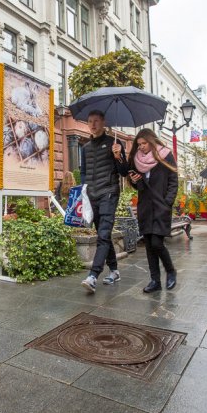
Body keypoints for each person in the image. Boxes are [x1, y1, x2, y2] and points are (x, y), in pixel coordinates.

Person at [80, 110, 129, 293]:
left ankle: (93, 275)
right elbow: (83, 172)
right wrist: (84, 190)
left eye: (96, 121)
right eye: (90, 121)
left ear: (103, 123)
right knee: (104, 234)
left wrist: (119, 156)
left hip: (109, 193)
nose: (93, 124)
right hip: (92, 196)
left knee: (103, 234)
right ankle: (115, 270)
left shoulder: (114, 144)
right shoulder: (85, 148)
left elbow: (124, 171)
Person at [127, 129, 178, 292]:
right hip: (145, 207)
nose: (141, 147)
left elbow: (173, 181)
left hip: (161, 207)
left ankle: (170, 271)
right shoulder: (137, 160)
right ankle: (155, 281)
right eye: (139, 144)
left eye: (144, 143)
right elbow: (139, 186)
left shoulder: (165, 155)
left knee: (157, 242)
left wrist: (167, 202)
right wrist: (135, 181)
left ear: (151, 141)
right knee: (149, 245)